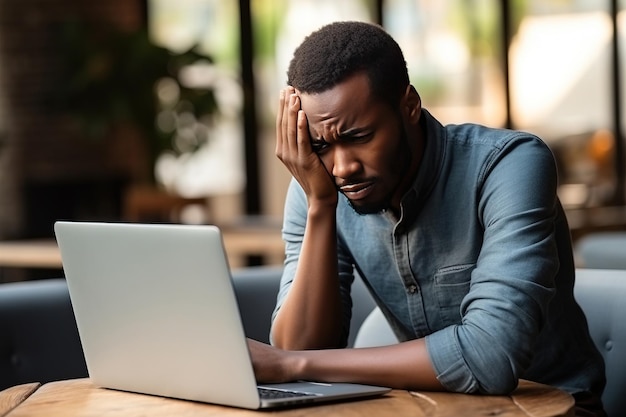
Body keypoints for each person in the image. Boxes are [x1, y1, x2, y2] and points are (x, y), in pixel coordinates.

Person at [247, 21, 607, 416]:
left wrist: (292, 365)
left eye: (359, 136)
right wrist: (319, 206)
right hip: (427, 409)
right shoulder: (319, 185)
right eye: (321, 145)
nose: (342, 167)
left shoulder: (509, 166)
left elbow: (491, 356)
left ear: (410, 105)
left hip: (550, 409)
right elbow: (298, 351)